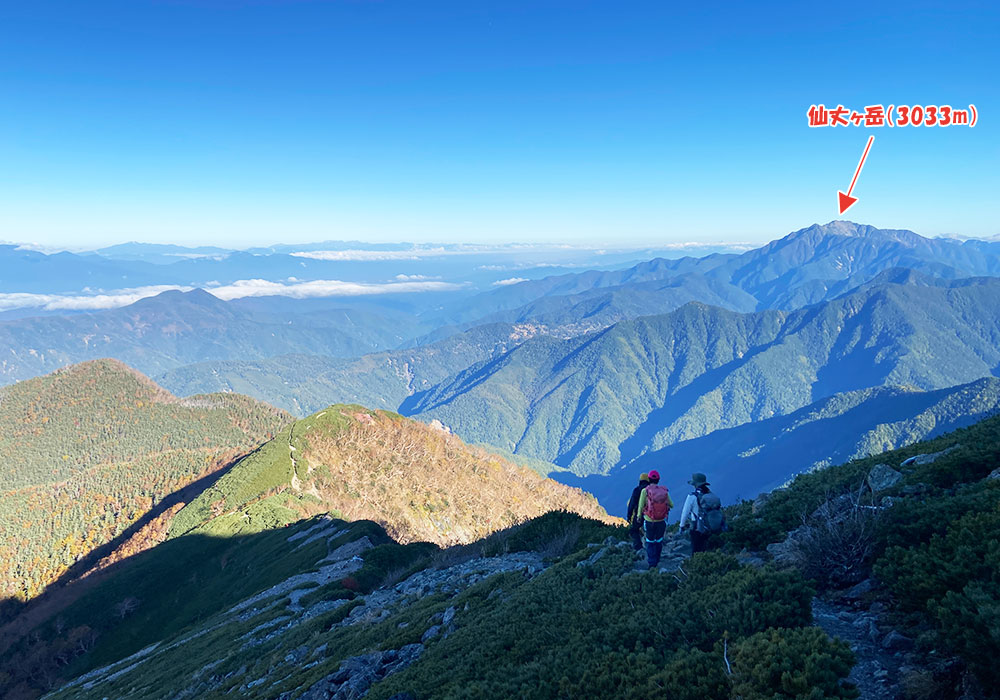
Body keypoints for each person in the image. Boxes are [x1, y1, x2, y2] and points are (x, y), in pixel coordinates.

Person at [679, 472, 725, 553]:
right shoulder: (710, 494)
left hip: (697, 528)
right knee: (708, 549)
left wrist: (681, 526)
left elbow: (685, 513)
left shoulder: (692, 496)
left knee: (696, 551)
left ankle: (697, 564)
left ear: (695, 484)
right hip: (711, 527)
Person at [635, 470, 672, 567]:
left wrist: (639, 516)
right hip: (661, 521)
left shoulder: (645, 491)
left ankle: (652, 563)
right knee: (659, 540)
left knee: (650, 541)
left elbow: (640, 505)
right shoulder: (664, 491)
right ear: (658, 480)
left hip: (649, 520)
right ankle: (658, 558)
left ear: (649, 479)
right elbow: (671, 504)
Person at [625, 472, 650, 551]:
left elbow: (631, 504)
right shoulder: (652, 490)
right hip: (651, 514)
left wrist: (629, 516)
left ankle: (638, 547)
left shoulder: (636, 490)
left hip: (639, 515)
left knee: (634, 530)